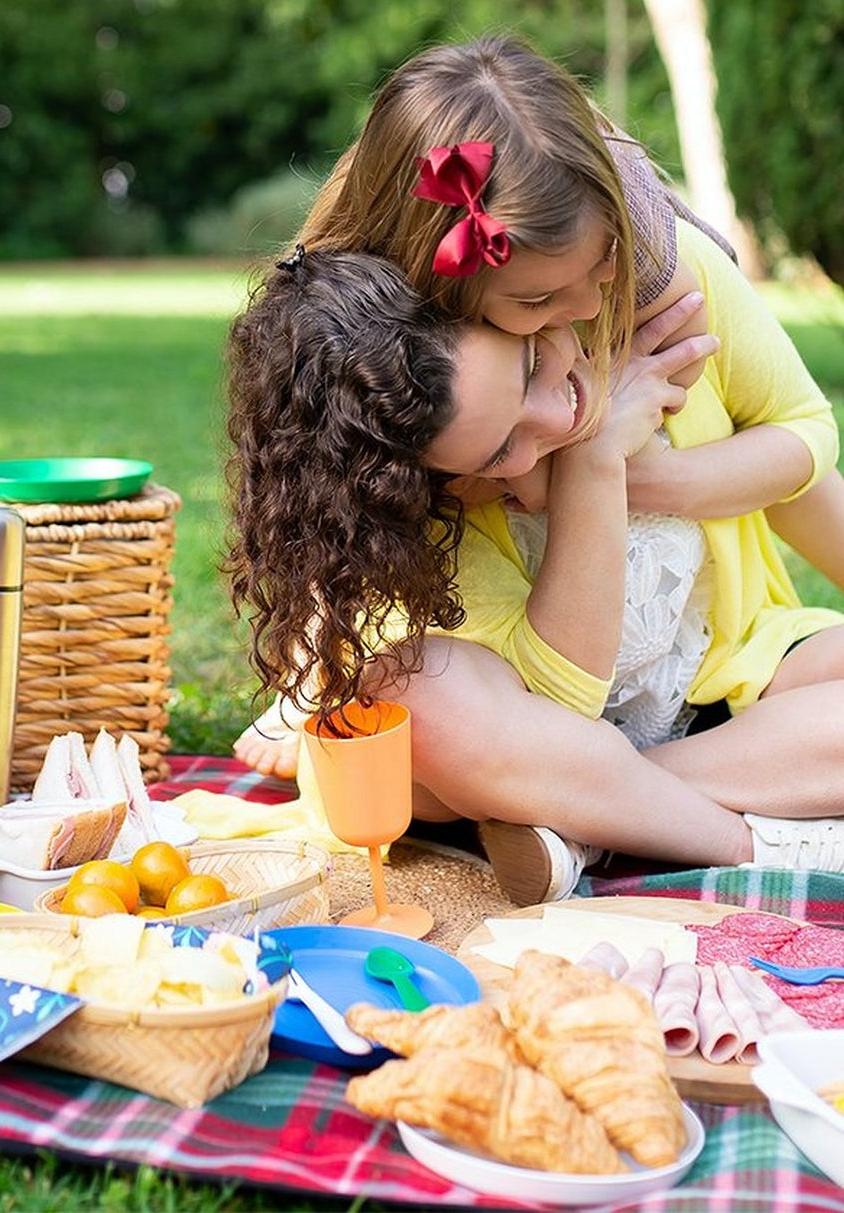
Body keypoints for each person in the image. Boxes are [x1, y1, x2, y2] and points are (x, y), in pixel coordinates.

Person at [232, 33, 844, 782]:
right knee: (420, 732)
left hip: (722, 661)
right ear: (440, 287)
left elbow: (805, 436)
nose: (586, 304)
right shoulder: (412, 391)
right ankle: (629, 792)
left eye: (602, 263)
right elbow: (336, 525)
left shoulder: (664, 283)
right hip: (524, 696)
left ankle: (622, 799)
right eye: (535, 302)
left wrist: (636, 474)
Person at [206, 241, 844, 905]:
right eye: (499, 448)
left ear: (511, 307)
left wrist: (641, 474)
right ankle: (744, 840)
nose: (555, 415)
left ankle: (586, 826)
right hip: (526, 743)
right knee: (419, 697)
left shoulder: (654, 300)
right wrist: (590, 463)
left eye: (531, 362)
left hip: (723, 689)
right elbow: (563, 707)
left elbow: (802, 447)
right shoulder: (423, 488)